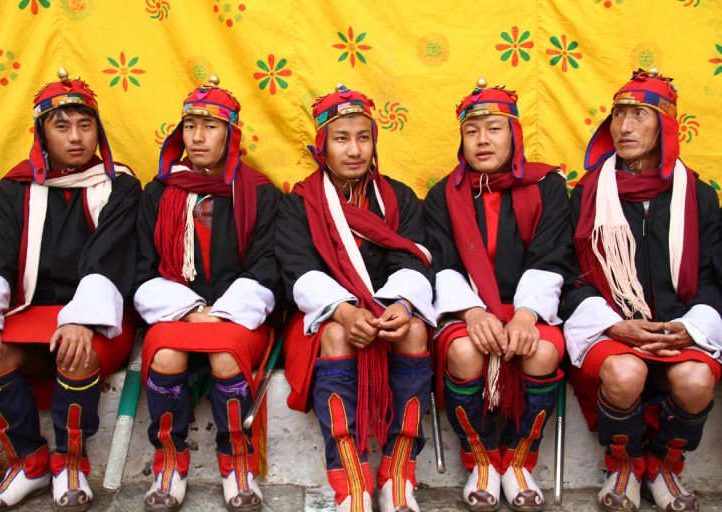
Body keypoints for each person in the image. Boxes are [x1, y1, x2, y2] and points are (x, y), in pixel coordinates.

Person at [0, 67, 140, 511]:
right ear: (42, 134)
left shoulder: (120, 186)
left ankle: (70, 463)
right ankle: (31, 463)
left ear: (99, 131)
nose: (76, 137)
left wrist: (80, 319)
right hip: (31, 313)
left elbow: (108, 259)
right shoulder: (15, 187)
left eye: (85, 125)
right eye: (61, 126)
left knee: (76, 352)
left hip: (98, 316)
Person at [562, 68, 722, 512]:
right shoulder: (588, 194)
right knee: (624, 373)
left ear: (665, 126)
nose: (625, 127)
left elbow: (714, 276)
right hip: (613, 330)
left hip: (680, 326)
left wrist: (691, 328)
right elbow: (571, 275)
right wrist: (616, 325)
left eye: (639, 115)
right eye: (618, 116)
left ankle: (664, 466)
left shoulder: (699, 197)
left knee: (695, 379)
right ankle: (623, 465)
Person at [276, 83, 436, 512]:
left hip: (387, 316)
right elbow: (297, 269)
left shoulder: (399, 198)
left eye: (363, 137)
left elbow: (417, 259)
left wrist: (400, 306)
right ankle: (352, 479)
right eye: (341, 138)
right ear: (322, 145)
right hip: (325, 321)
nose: (354, 150)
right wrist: (344, 311)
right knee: (336, 337)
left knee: (417, 329)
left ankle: (397, 472)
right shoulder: (300, 203)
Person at [424, 79, 573, 512]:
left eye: (494, 128)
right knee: (467, 354)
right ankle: (482, 459)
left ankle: (520, 461)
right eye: (472, 131)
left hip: (531, 309)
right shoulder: (443, 196)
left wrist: (526, 315)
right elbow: (442, 261)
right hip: (466, 310)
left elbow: (552, 253)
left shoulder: (547, 187)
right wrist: (471, 312)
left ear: (515, 133)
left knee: (542, 353)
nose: (482, 140)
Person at [134, 75, 279, 511]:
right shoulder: (158, 193)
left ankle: (237, 461)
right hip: (176, 315)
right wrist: (192, 310)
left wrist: (222, 315)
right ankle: (170, 462)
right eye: (190, 125)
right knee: (165, 357)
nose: (197, 137)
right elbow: (141, 268)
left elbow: (268, 268)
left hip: (236, 319)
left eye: (211, 126)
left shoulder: (259, 193)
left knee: (224, 354)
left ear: (231, 135)